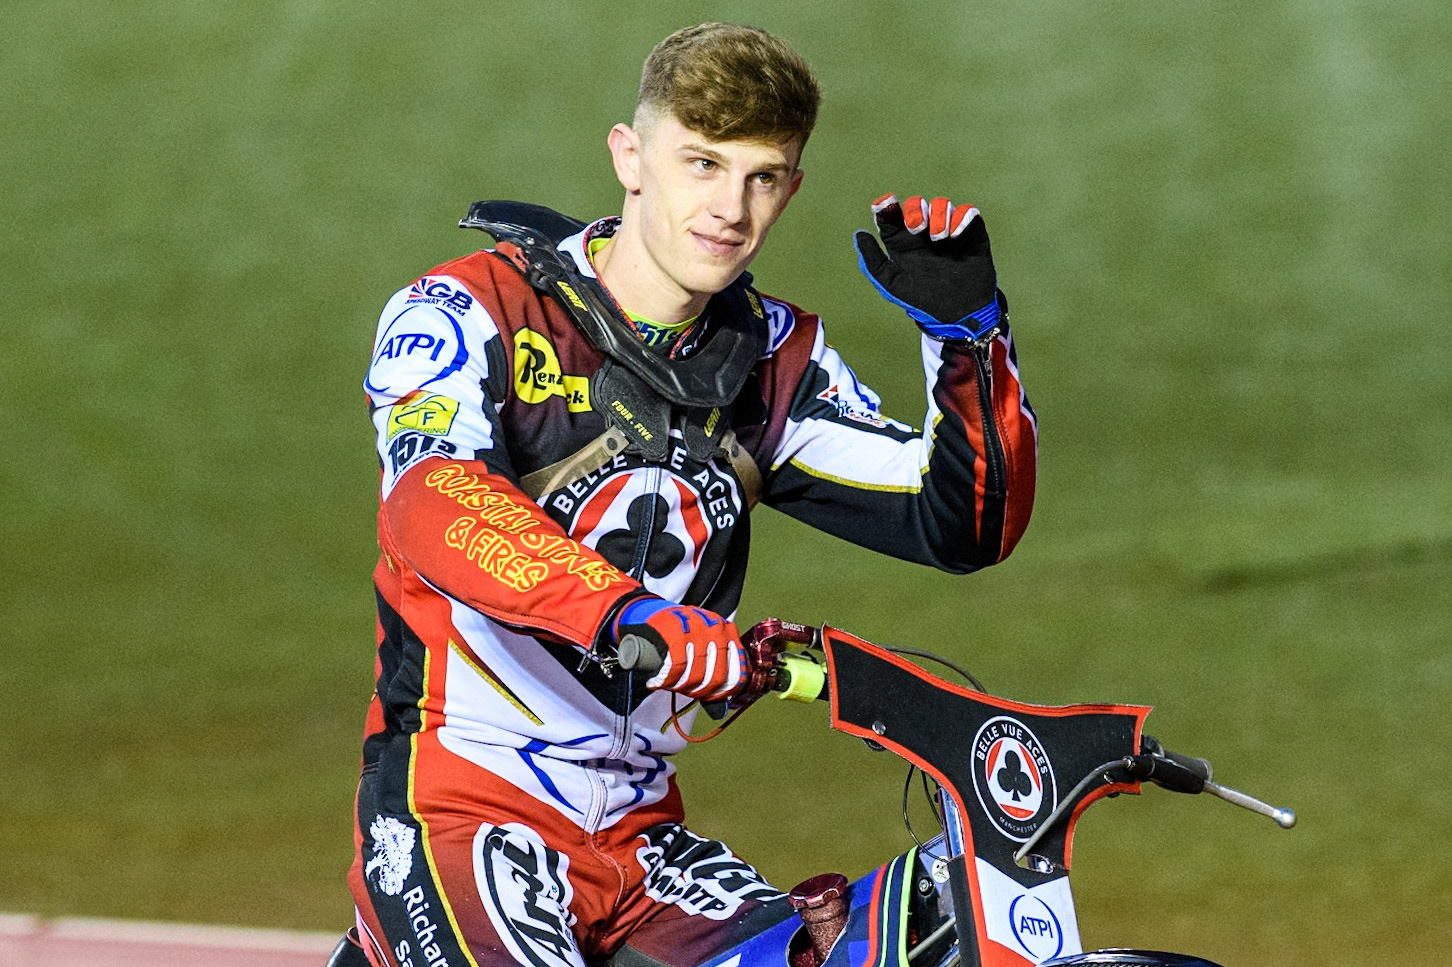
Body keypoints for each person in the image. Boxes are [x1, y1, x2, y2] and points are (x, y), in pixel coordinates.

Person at [332, 22, 1038, 967]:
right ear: (630, 157)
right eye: (701, 164)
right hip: (460, 806)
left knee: (901, 944)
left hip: (641, 840)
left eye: (762, 176)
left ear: (791, 188)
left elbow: (963, 522)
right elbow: (434, 504)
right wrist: (633, 616)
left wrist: (966, 338)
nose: (730, 209)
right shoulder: (470, 309)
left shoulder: (778, 361)